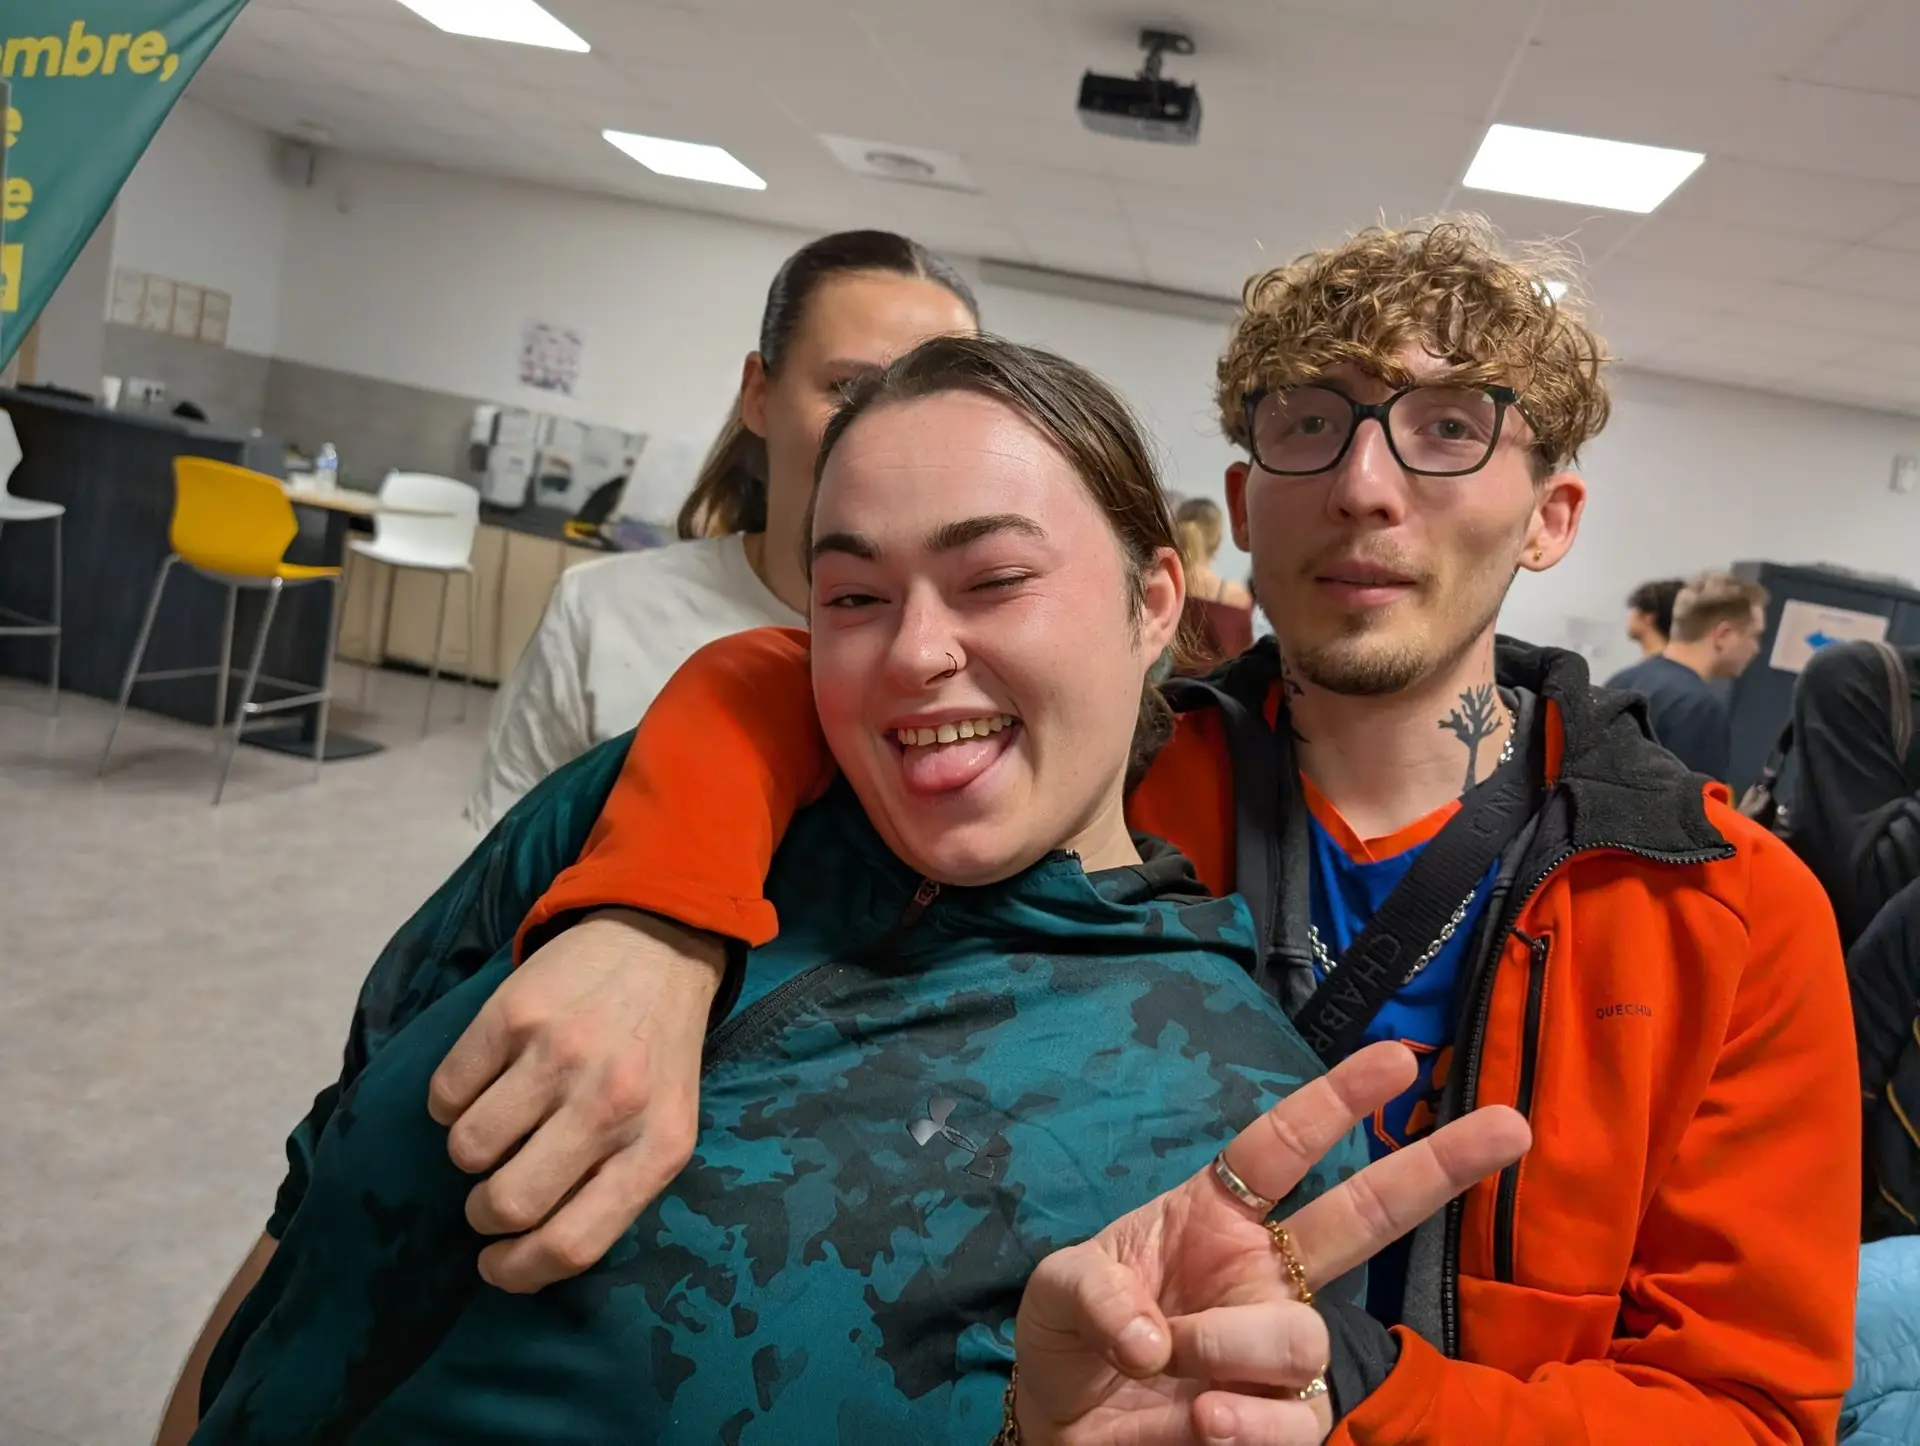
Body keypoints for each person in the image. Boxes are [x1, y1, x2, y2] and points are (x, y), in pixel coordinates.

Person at [424, 218, 1861, 1443]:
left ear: (1550, 515)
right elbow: (780, 677)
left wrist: (1354, 1388)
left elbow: (1747, 1415)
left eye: (1446, 426)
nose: (1366, 483)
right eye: (1312, 421)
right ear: (1241, 506)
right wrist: (658, 919)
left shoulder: (1722, 915)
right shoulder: (1097, 777)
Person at [159, 336, 1530, 1445]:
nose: (915, 652)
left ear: (1153, 598)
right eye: (855, 596)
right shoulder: (627, 813)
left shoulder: (1230, 1118)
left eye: (994, 577)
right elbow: (311, 1202)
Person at [465, 230, 980, 830]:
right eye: (849, 388)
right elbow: (497, 874)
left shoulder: (992, 652)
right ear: (759, 395)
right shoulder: (606, 614)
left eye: (940, 398)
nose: (895, 436)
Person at [1605, 570, 1767, 780]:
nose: (1757, 648)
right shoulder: (1699, 708)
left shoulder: (1622, 680)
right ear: (1723, 635)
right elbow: (1692, 808)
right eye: (1754, 635)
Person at [1172, 496, 1254, 671]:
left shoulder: (1165, 590)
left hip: (1167, 693)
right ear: (1217, 540)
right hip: (1217, 694)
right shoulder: (1237, 597)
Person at [1613, 576, 1684, 661]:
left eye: (1633, 609)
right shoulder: (1684, 666)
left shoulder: (1644, 672)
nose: (1628, 616)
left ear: (1648, 618)